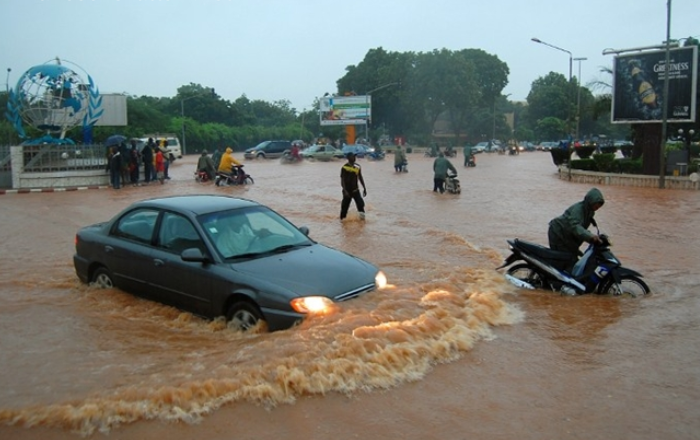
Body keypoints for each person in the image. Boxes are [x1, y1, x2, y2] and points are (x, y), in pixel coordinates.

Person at [548, 188, 605, 269]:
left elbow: (581, 230)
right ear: (590, 201)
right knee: (562, 259)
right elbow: (575, 227)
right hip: (558, 233)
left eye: (599, 205)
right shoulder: (578, 209)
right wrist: (590, 236)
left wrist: (593, 238)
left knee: (573, 259)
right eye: (596, 204)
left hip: (567, 237)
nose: (597, 207)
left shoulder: (590, 212)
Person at [340, 152, 367, 220]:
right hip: (347, 191)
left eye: (354, 157)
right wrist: (345, 191)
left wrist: (364, 188)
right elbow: (342, 180)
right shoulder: (344, 167)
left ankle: (362, 221)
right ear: (348, 158)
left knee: (360, 205)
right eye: (352, 156)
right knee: (344, 208)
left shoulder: (357, 167)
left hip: (356, 190)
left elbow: (360, 177)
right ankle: (342, 221)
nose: (354, 158)